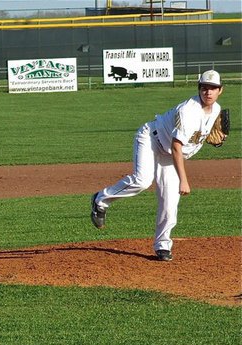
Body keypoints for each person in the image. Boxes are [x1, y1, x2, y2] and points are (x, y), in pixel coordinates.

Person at [90, 70, 226, 261]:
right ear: (199, 88)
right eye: (204, 87)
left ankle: (163, 245)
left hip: (169, 154)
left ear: (220, 90)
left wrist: (216, 138)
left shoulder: (216, 110)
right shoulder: (188, 110)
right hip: (152, 139)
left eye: (212, 88)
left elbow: (202, 134)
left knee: (170, 201)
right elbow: (177, 146)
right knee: (142, 180)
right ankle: (100, 199)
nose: (208, 92)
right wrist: (184, 181)